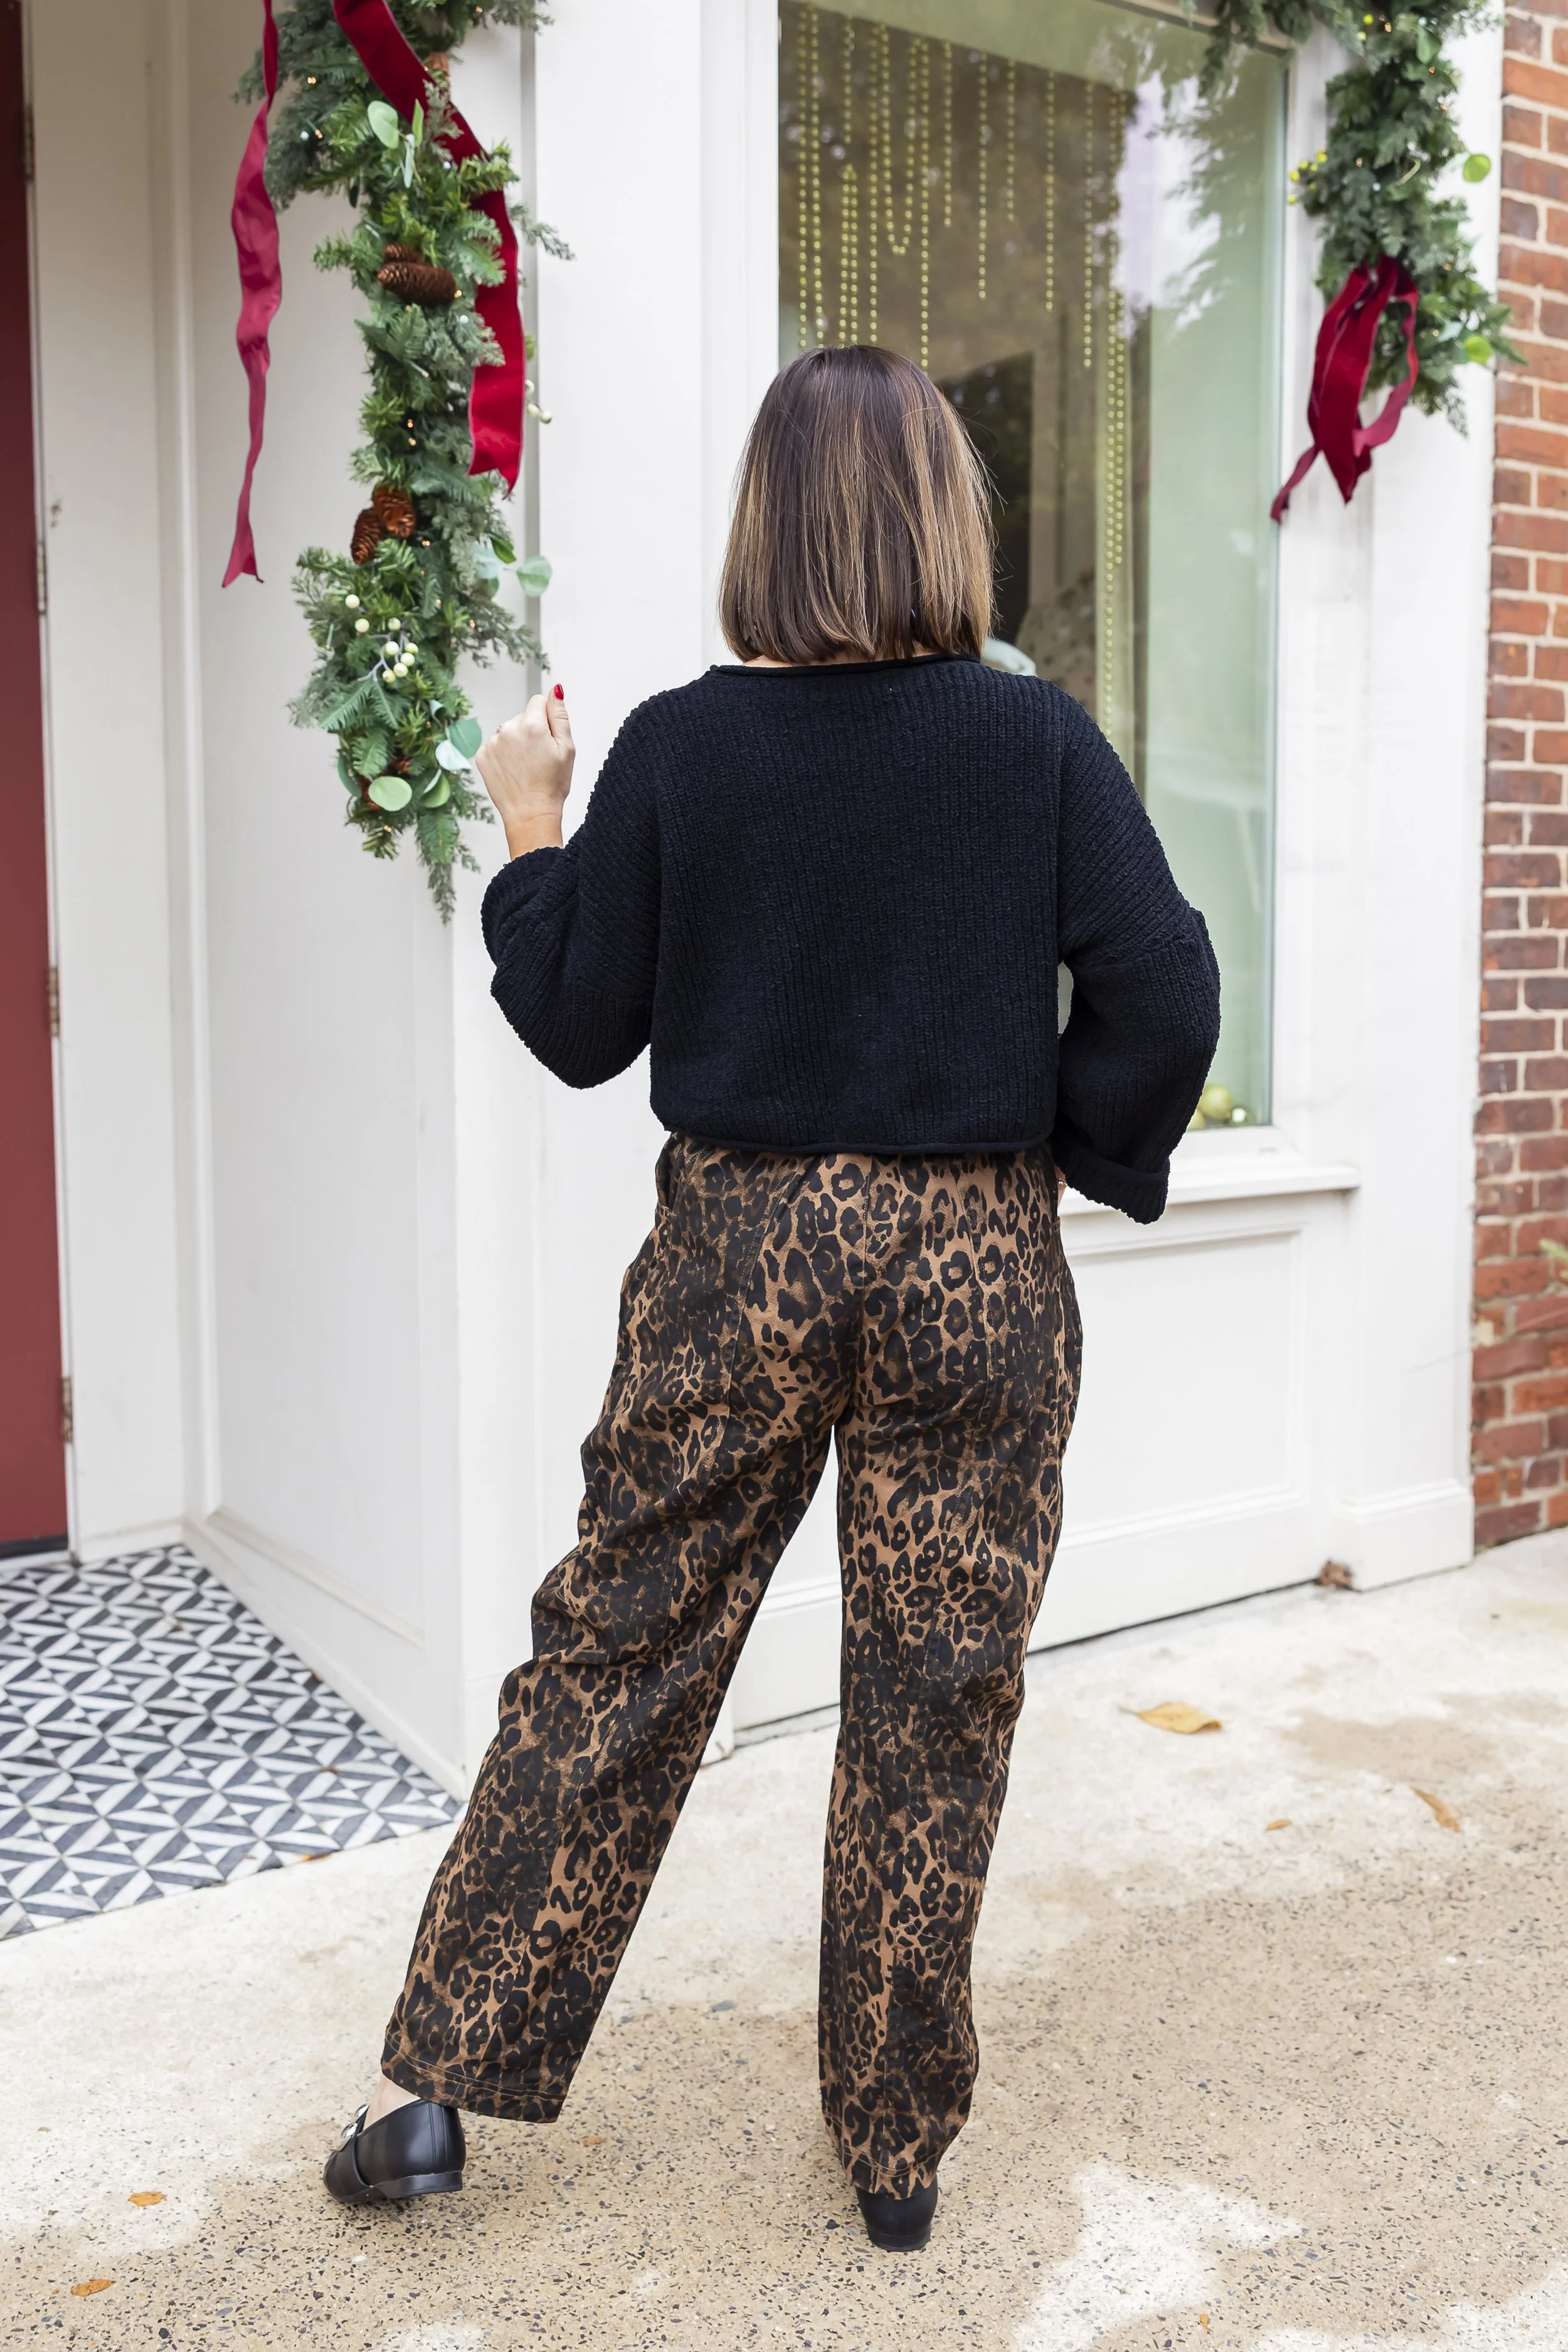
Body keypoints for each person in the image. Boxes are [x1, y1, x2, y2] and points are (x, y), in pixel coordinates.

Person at [324, 344, 1221, 2251]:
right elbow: (1165, 987)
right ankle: (894, 2149)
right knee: (935, 1689)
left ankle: (432, 2095)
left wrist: (534, 825)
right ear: (942, 521)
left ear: (767, 527)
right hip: (969, 1257)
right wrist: (1032, 1131)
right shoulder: (1033, 740)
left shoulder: (681, 743)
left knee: (621, 1642)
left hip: (739, 1250)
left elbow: (576, 1023)